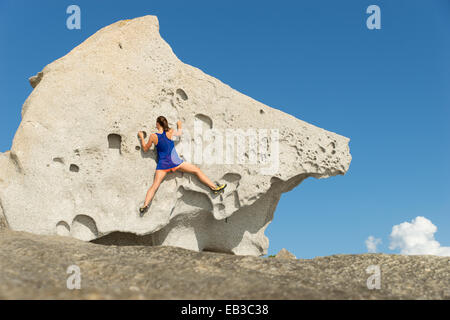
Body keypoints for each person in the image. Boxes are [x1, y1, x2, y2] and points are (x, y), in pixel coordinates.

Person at [137, 116, 226, 215]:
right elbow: (179, 134)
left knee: (154, 186)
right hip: (175, 162)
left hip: (163, 165)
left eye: (156, 123)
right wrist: (179, 125)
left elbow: (145, 149)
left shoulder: (153, 136)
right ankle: (214, 188)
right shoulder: (170, 131)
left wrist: (141, 137)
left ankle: (145, 205)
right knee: (196, 170)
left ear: (158, 124)